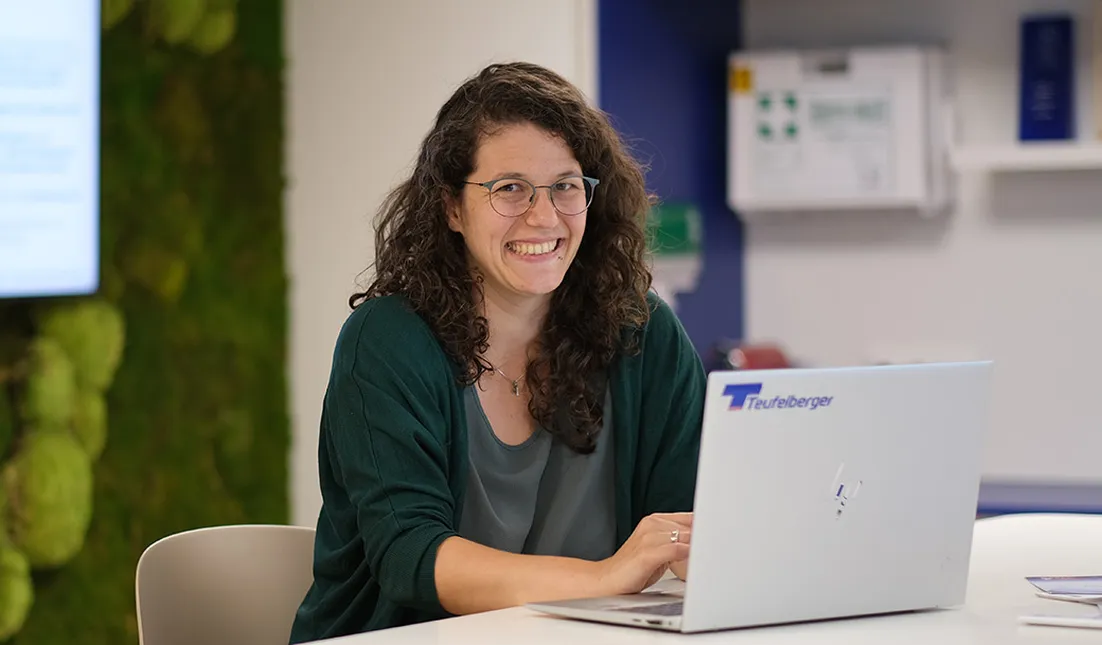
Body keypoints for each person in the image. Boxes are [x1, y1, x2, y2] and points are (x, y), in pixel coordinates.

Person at [289, 61, 706, 642]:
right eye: (510, 188)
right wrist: (607, 576)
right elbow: (413, 557)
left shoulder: (642, 332)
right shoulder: (387, 343)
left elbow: (688, 519)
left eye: (565, 186)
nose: (544, 216)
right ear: (452, 208)